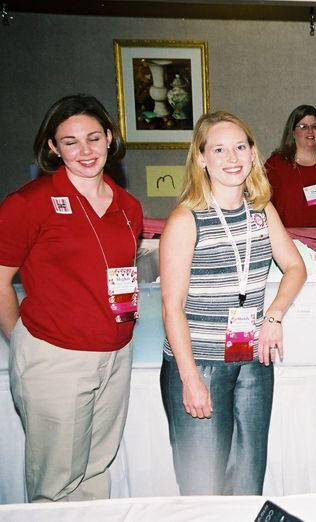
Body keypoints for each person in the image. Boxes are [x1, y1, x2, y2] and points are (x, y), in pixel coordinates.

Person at [0, 94, 143, 502]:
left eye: (94, 138)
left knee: (96, 470)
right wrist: (25, 341)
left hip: (115, 354)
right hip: (55, 356)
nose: (85, 151)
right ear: (52, 147)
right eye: (70, 141)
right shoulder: (28, 203)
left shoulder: (127, 206)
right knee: (55, 484)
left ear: (110, 139)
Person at [159, 111, 306, 495]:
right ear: (201, 158)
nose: (232, 158)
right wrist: (189, 380)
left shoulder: (261, 211)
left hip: (254, 360)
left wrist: (273, 316)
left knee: (247, 480)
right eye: (219, 149)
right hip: (201, 363)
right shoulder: (185, 220)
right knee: (203, 487)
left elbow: (295, 267)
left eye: (240, 146)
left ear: (253, 153)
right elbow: (171, 307)